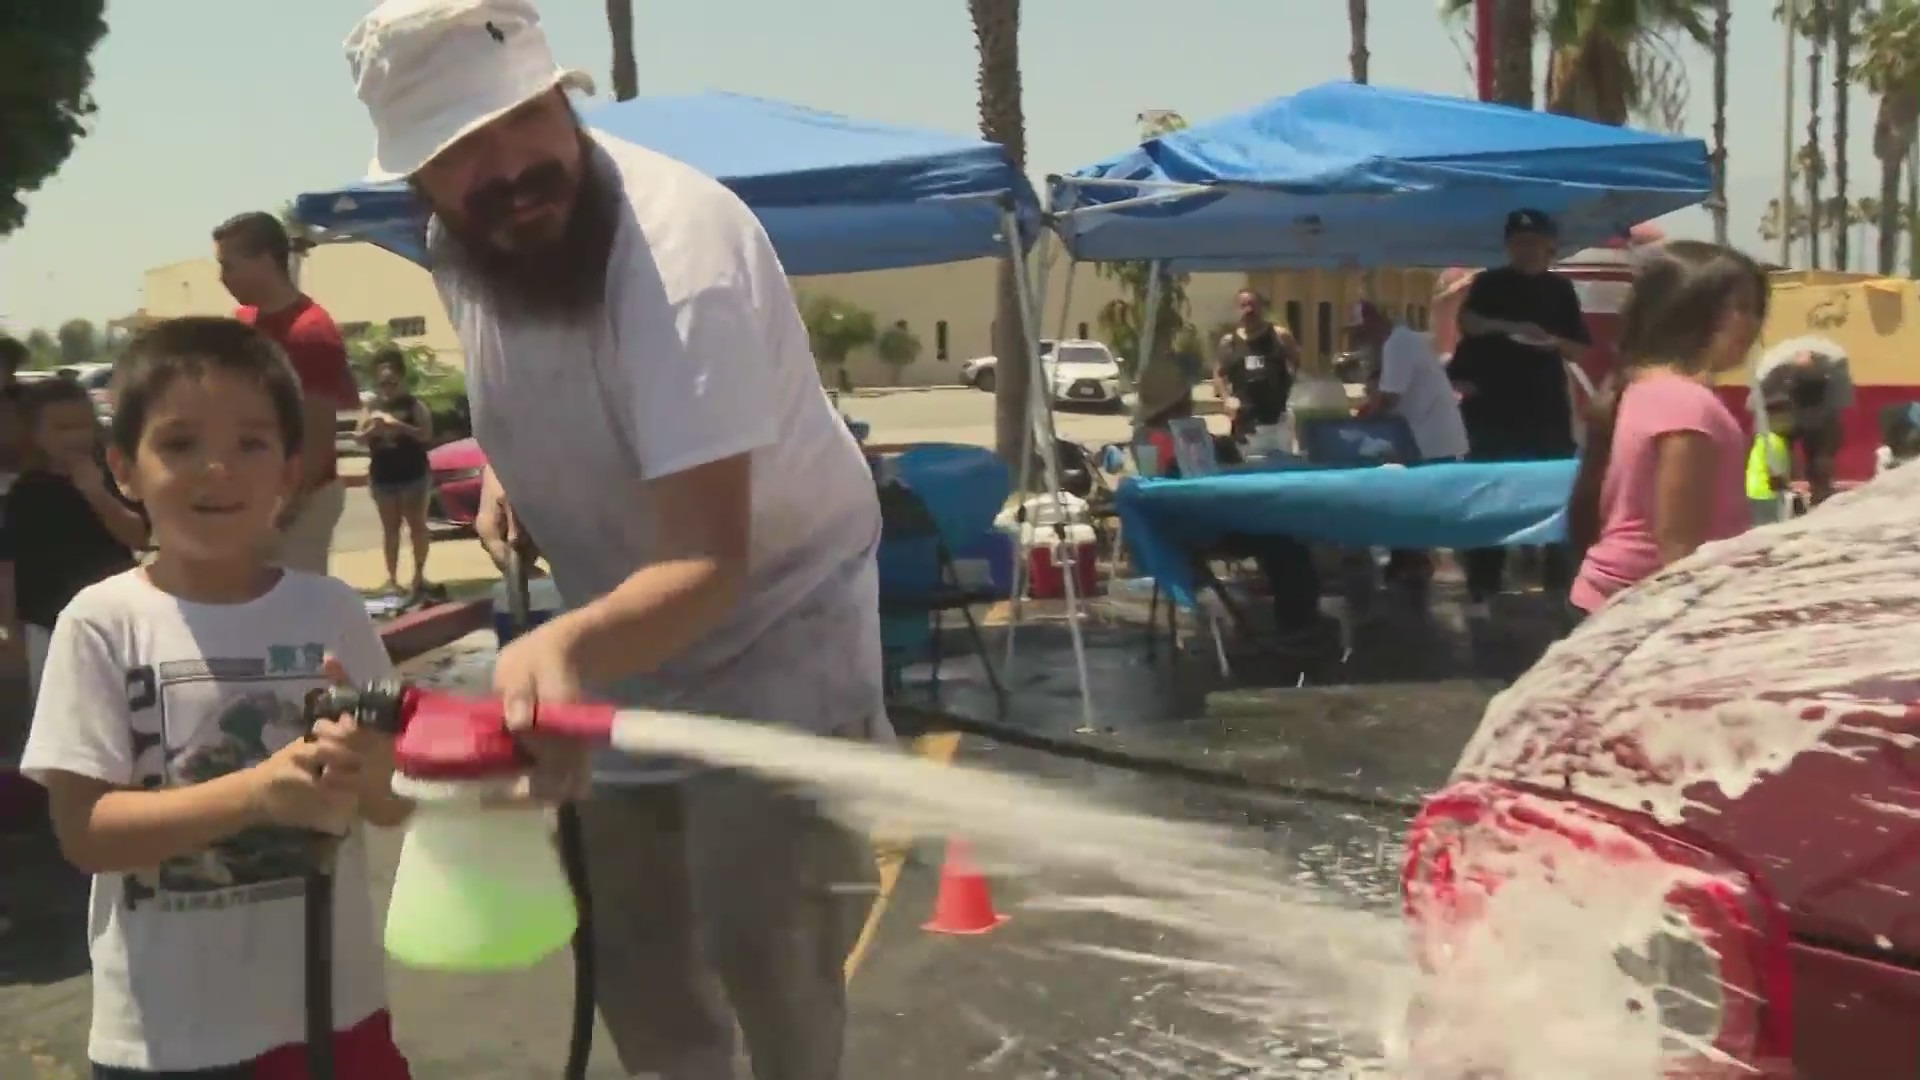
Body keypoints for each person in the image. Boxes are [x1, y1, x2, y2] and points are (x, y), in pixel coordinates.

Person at [343, 3, 889, 1077]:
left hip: (774, 639)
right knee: (643, 976)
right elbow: (540, 368)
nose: (505, 168)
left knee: (773, 969)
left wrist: (557, 653)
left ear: (565, 94)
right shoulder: (465, 243)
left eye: (521, 119)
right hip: (614, 648)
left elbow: (707, 561)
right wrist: (514, 465)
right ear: (420, 183)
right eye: (458, 152)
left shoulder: (678, 256)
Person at [18, 317, 412, 1079]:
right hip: (170, 1037)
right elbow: (88, 834)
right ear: (123, 468)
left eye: (251, 444)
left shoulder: (332, 611)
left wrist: (374, 771)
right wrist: (257, 792)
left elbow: (397, 803)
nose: (217, 470)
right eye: (181, 444)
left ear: (291, 471)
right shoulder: (101, 623)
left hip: (336, 1015)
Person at [1567, 242, 1767, 618]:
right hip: (1647, 612)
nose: (1754, 323)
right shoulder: (1687, 404)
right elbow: (1678, 549)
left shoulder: (1642, 386)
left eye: (1757, 309)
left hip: (1611, 602)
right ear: (1690, 309)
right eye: (1741, 308)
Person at [1446, 209, 1592, 615]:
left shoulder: (1561, 291)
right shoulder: (1489, 283)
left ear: (1549, 246)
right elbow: (1469, 322)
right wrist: (1507, 327)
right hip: (1491, 409)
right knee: (1489, 494)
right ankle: (1482, 587)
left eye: (1534, 242)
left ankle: (1561, 590)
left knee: (1555, 495)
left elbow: (1580, 347)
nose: (1526, 250)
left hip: (1545, 407)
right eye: (1518, 243)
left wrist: (1552, 341)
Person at [1134, 363, 1326, 643]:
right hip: (1195, 529)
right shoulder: (1163, 437)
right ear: (1176, 401)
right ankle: (1297, 625)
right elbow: (1178, 481)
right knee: (1284, 539)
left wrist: (1224, 446)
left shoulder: (1156, 435)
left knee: (1279, 534)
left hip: (1187, 524)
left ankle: (1298, 619)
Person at [214, 211, 362, 575]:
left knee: (291, 609)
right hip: (257, 494)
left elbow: (317, 436)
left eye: (229, 265)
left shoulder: (310, 331)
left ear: (265, 260)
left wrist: (282, 512)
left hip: (300, 500)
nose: (223, 278)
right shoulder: (245, 323)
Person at [9, 377, 147, 702]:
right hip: (47, 622)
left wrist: (96, 493)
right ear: (36, 433)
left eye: (83, 426)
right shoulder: (25, 490)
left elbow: (138, 536)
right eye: (62, 428)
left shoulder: (113, 476)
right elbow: (10, 566)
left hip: (114, 617)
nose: (76, 437)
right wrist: (12, 630)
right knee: (58, 706)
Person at [1350, 301, 1470, 588]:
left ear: (1372, 321)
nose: (1362, 342)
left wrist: (1360, 418)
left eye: (1362, 333)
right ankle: (1411, 559)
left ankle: (1414, 562)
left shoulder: (1397, 344)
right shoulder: (1402, 341)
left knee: (1415, 500)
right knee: (1414, 500)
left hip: (1431, 438)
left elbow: (1390, 397)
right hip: (1426, 436)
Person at [358, 349, 435, 598]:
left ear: (401, 379)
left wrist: (399, 426)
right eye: (382, 383)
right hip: (383, 477)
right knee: (390, 529)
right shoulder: (371, 407)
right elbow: (358, 438)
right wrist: (372, 429)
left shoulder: (414, 405)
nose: (387, 387)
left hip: (414, 475)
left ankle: (419, 577)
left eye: (391, 382)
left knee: (417, 527)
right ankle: (392, 580)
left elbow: (426, 434)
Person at [1213, 289, 1299, 453]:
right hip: (1246, 425)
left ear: (1261, 308)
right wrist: (1226, 399)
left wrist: (1290, 384)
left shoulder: (1279, 335)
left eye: (1253, 305)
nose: (1249, 310)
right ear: (1237, 310)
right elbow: (1218, 374)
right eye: (1243, 305)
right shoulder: (1229, 342)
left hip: (1278, 421)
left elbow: (1296, 359)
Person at [1746, 393, 1795, 526]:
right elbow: (1775, 474)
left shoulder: (1764, 438)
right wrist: (1786, 489)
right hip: (1766, 494)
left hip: (1757, 491)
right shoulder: (1773, 441)